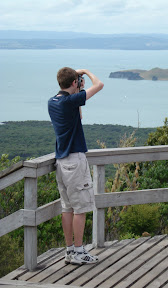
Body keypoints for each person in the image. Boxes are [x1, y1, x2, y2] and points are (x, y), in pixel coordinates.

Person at [48, 67, 104, 264]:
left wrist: (77, 88)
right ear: (74, 83)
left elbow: (78, 117)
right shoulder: (70, 101)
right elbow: (100, 85)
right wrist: (87, 72)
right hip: (74, 160)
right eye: (78, 82)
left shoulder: (53, 102)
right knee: (80, 208)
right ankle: (80, 253)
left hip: (61, 162)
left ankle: (70, 250)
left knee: (67, 208)